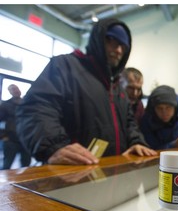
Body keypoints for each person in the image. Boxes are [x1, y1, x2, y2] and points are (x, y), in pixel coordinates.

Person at [16, 18, 157, 165]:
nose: (118, 50)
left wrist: (136, 141)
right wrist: (54, 146)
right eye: (111, 41)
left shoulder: (117, 87)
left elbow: (130, 122)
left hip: (110, 174)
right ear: (98, 39)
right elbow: (36, 108)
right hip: (71, 173)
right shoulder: (65, 66)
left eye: (123, 45)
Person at [0, 84, 31, 169]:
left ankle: (25, 182)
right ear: (10, 92)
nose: (16, 90)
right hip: (11, 139)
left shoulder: (27, 103)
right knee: (7, 165)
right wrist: (3, 136)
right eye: (12, 89)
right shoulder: (5, 105)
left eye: (16, 88)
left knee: (26, 166)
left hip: (25, 140)